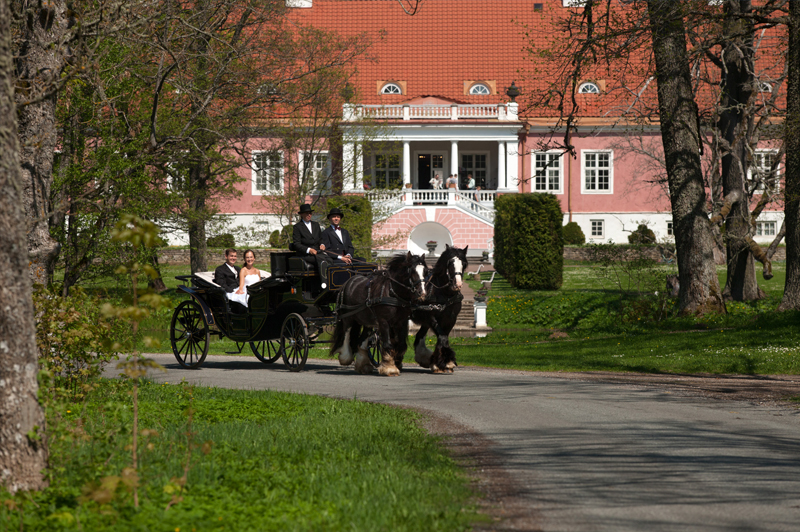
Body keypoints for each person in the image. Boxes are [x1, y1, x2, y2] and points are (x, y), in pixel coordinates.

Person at [292, 203, 330, 289]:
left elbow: (320, 239)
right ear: (301, 214)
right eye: (306, 213)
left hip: (318, 252)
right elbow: (297, 244)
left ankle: (331, 281)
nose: (309, 215)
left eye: (310, 213)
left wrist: (322, 244)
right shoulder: (297, 227)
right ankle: (324, 283)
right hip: (305, 254)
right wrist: (309, 250)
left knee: (329, 259)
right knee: (321, 259)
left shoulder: (316, 225)